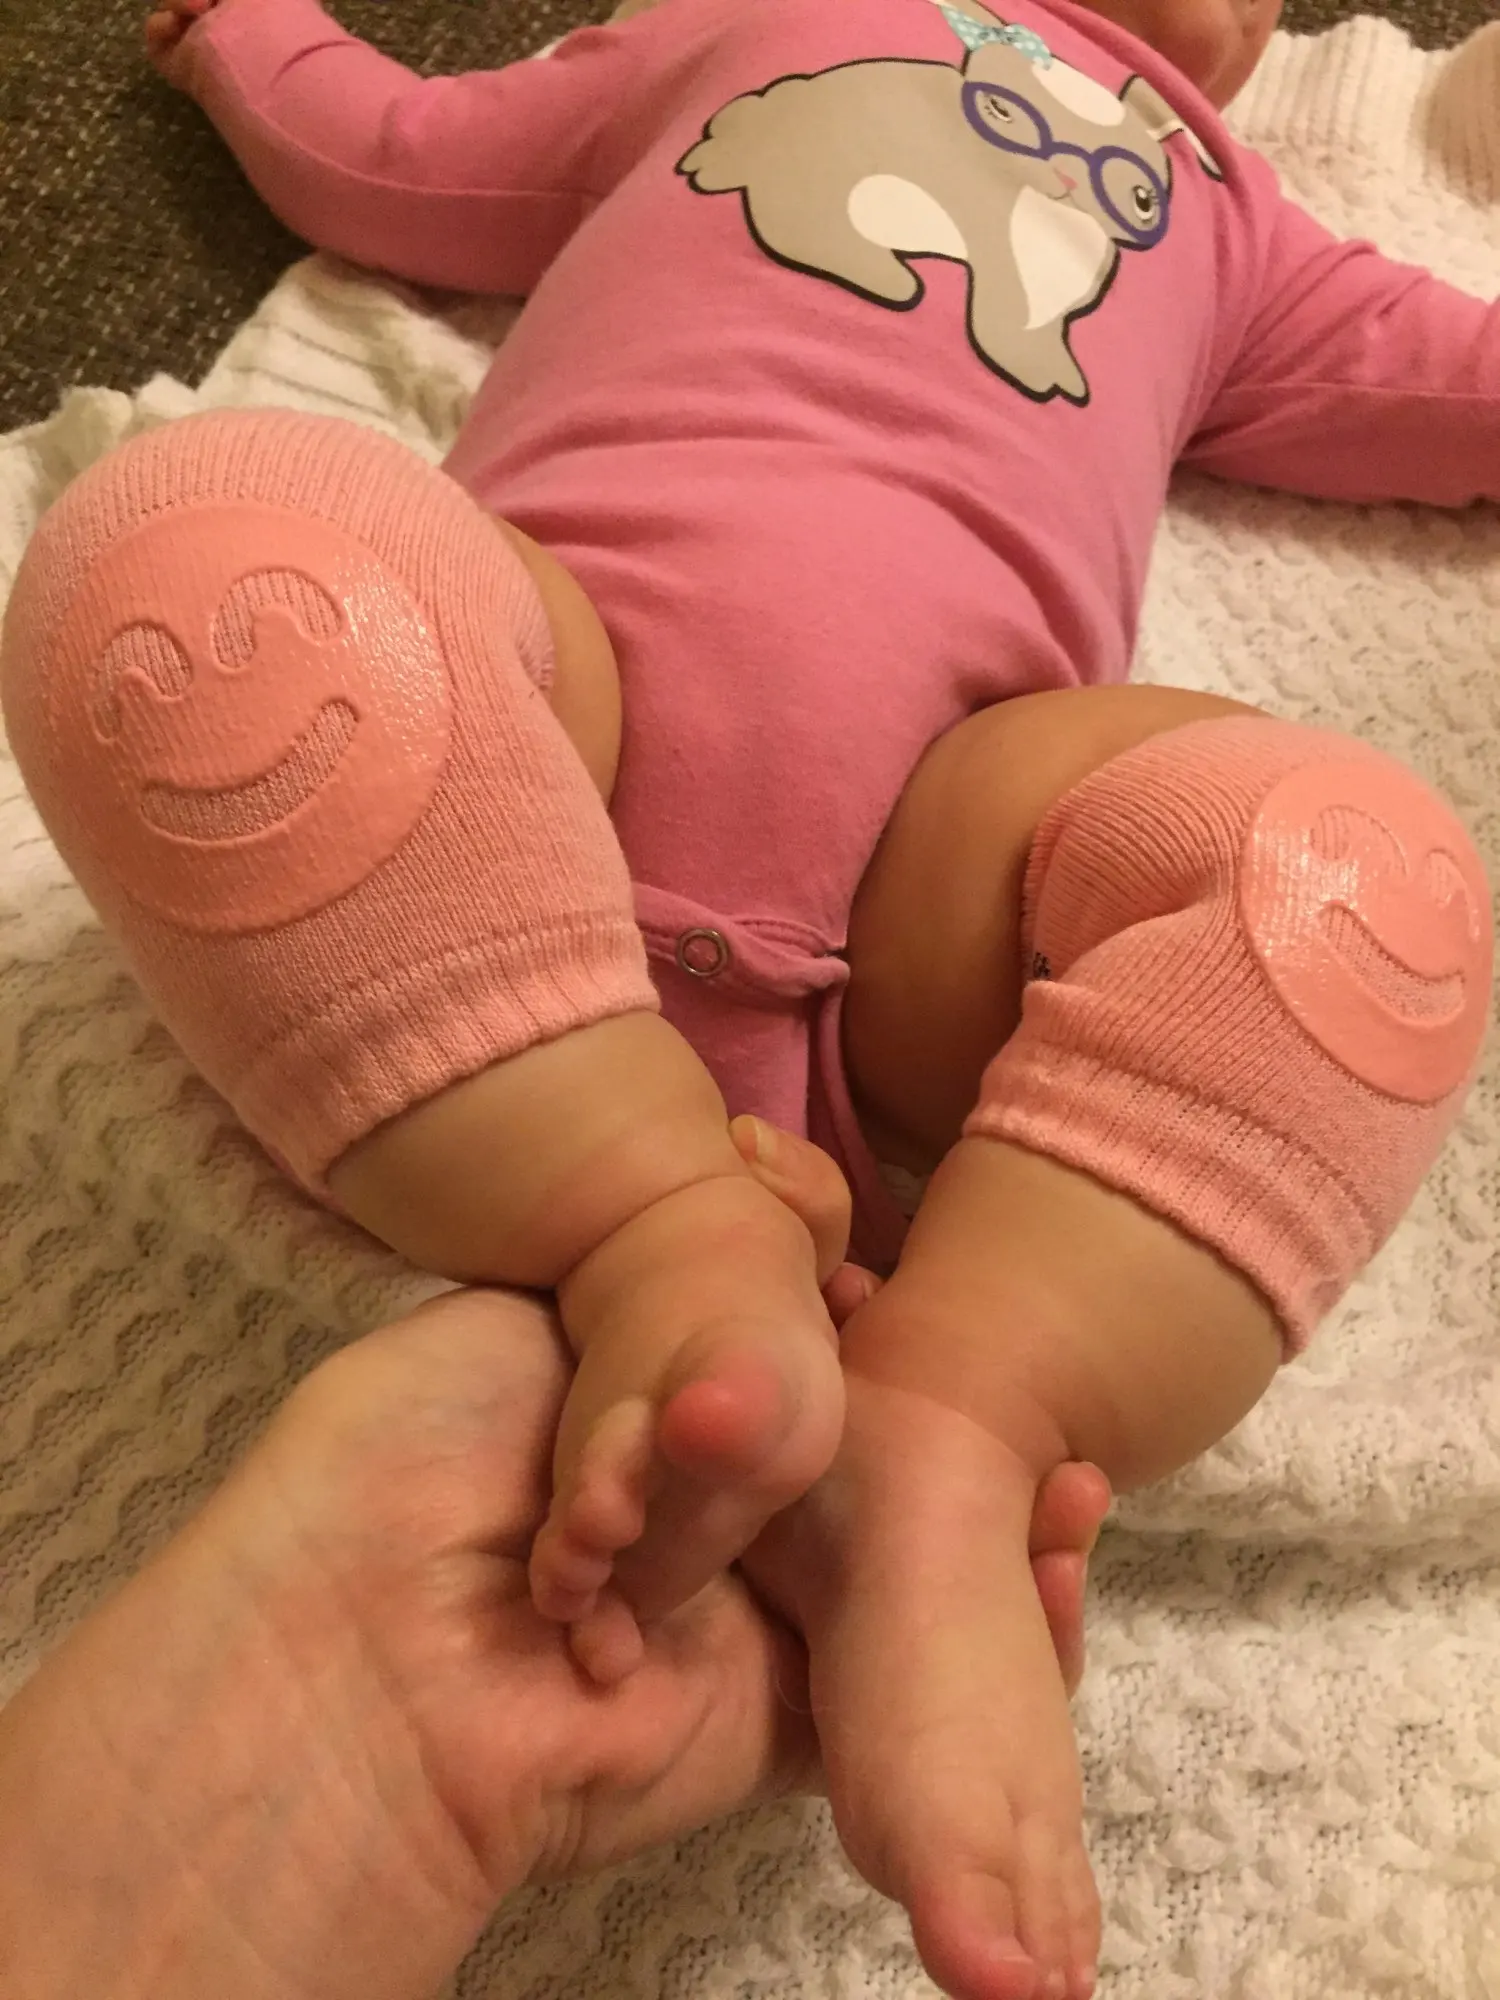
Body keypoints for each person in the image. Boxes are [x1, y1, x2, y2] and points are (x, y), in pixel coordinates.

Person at [2, 0, 1494, 1989]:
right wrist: (246, 41)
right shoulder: (753, 21)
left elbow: (1442, 383)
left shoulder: (1235, 205)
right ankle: (642, 1207)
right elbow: (412, 156)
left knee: (1352, 868)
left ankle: (954, 1414)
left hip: (948, 881)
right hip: (522, 750)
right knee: (201, 539)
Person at [0, 1134, 1110, 2000]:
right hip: (562, 1023)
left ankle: (955, 1402)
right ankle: (952, 1402)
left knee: (1208, 958)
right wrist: (656, 1220)